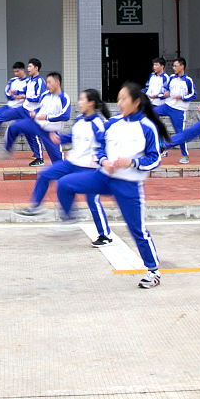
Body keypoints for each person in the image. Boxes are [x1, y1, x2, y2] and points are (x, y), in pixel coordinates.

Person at [56, 82, 169, 288]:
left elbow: (155, 159)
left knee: (137, 230)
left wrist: (133, 162)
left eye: (124, 99)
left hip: (128, 185)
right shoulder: (112, 123)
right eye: (118, 99)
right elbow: (99, 147)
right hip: (103, 178)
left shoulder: (147, 127)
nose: (120, 103)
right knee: (64, 184)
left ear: (136, 102)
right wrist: (103, 160)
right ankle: (69, 218)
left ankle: (153, 271)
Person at [15, 88, 112, 245]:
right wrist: (60, 139)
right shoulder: (80, 119)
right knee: (46, 174)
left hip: (89, 168)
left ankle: (105, 235)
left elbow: (103, 145)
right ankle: (39, 208)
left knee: (92, 200)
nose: (79, 102)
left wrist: (104, 162)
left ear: (91, 103)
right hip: (71, 163)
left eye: (82, 100)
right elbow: (73, 137)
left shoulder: (98, 124)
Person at [0, 71, 70, 164]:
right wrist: (34, 112)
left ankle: (61, 169)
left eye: (49, 82)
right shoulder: (45, 95)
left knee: (57, 161)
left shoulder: (64, 97)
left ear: (57, 83)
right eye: (47, 82)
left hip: (51, 132)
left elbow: (65, 115)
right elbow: (40, 107)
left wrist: (47, 117)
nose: (47, 85)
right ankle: (7, 150)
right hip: (36, 125)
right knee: (13, 127)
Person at [155, 57, 197, 163]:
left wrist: (182, 97)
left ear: (182, 66)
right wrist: (164, 94)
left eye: (175, 66)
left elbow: (193, 94)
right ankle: (160, 143)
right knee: (152, 113)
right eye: (173, 66)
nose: (173, 68)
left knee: (180, 133)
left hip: (178, 110)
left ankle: (185, 155)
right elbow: (166, 89)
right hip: (167, 106)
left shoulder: (188, 80)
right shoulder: (172, 78)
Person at [14, 58, 48, 165]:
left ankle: (40, 159)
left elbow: (40, 97)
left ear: (36, 68)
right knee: (27, 132)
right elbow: (25, 90)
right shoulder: (30, 80)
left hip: (34, 112)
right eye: (28, 66)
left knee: (34, 133)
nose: (28, 69)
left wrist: (28, 98)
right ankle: (36, 152)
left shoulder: (40, 81)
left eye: (30, 66)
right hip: (26, 110)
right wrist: (16, 92)